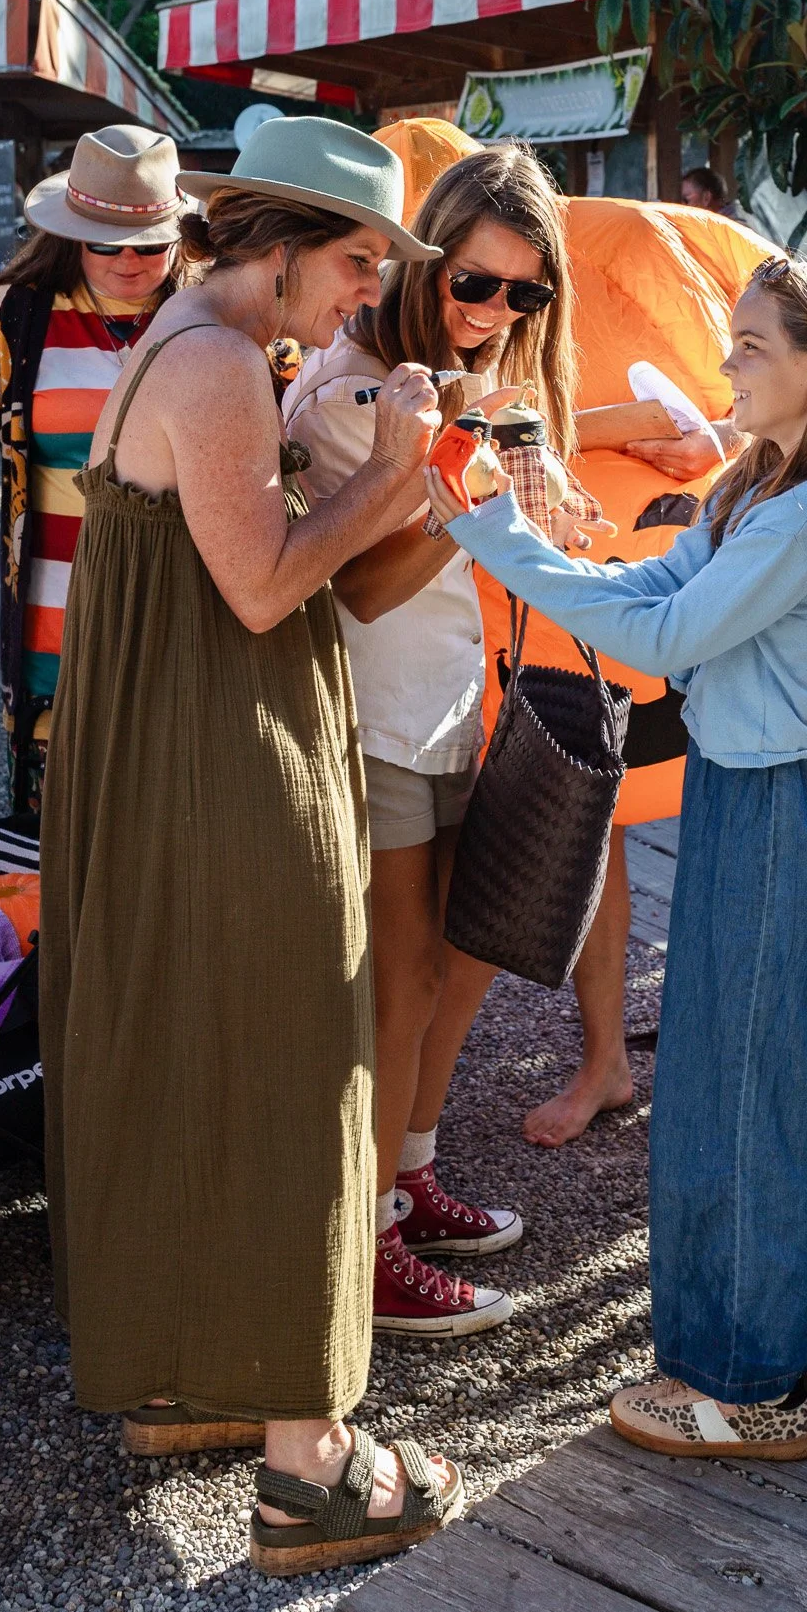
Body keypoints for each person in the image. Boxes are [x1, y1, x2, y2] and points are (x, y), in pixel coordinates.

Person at [40, 116, 462, 1574]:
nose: (366, 293)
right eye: (355, 263)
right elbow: (273, 586)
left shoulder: (195, 343)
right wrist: (396, 473)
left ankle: (180, 1376)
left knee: (180, 1049)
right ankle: (310, 1466)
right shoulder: (219, 365)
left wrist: (415, 493)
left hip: (178, 749)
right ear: (278, 247)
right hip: (220, 761)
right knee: (296, 1064)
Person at [427, 255, 807, 1459]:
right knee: (776, 1071)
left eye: (751, 343)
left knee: (728, 1090)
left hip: (767, 806)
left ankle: (745, 1382)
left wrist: (491, 530)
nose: (724, 364)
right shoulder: (769, 478)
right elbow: (654, 582)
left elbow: (665, 632)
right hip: (768, 795)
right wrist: (542, 533)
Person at [284, 142, 582, 1334]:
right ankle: (366, 1243)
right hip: (370, 716)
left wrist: (534, 499)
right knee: (395, 984)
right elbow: (353, 590)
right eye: (475, 284)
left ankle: (407, 1174)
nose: (496, 312)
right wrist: (483, 513)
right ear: (419, 264)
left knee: (455, 963)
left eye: (525, 293)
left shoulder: (468, 379)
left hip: (453, 705)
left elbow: (503, 522)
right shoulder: (348, 387)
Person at [0, 126, 185, 813]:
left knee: (169, 842)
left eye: (151, 243)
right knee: (59, 847)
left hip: (183, 630)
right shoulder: (13, 315)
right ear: (71, 232)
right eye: (105, 242)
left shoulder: (220, 315)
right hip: (52, 633)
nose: (129, 261)